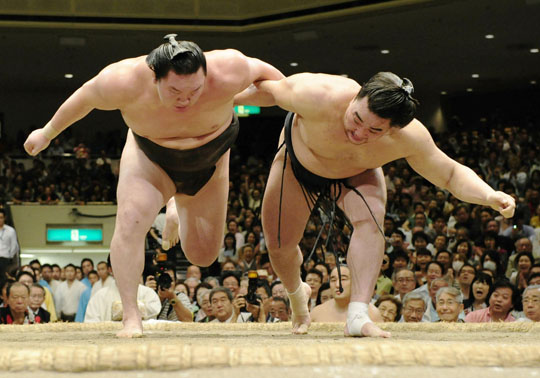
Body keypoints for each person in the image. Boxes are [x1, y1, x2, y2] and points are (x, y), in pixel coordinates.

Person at [24, 34, 284, 337]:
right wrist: (48, 132)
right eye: (174, 90)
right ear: (154, 77)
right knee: (129, 223)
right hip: (150, 156)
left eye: (195, 90)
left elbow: (279, 87)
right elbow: (86, 97)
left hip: (209, 160)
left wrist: (235, 97)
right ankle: (131, 317)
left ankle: (176, 204)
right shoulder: (123, 80)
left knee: (203, 255)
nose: (185, 99)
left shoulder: (230, 68)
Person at [235, 71, 515, 337]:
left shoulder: (409, 136)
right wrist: (217, 102)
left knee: (371, 219)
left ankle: (358, 316)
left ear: (393, 129)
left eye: (374, 130)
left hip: (358, 172)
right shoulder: (319, 93)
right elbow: (266, 90)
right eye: (356, 119)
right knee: (279, 245)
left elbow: (450, 174)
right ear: (356, 97)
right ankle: (298, 297)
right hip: (297, 161)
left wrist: (489, 194)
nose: (358, 133)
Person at [0, 209, 19, 284]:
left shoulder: (10, 230)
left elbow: (14, 245)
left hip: (5, 257)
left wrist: (10, 256)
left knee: (3, 277)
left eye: (1, 217)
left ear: (4, 218)